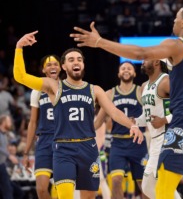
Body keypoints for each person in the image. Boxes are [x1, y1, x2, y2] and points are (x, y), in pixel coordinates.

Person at [70, 4, 183, 199]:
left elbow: (140, 53)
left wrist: (99, 41)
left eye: (176, 17)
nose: (173, 20)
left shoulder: (177, 45)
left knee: (163, 188)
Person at [13, 31, 144, 199]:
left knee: (89, 196)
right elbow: (21, 77)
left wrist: (132, 125)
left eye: (79, 60)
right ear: (64, 67)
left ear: (83, 65)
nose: (76, 62)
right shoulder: (54, 86)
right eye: (71, 60)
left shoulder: (94, 89)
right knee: (65, 195)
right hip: (63, 149)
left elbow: (113, 111)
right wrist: (19, 48)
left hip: (88, 148)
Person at [94, 61, 148, 199]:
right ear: (118, 73)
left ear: (134, 73)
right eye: (123, 68)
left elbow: (150, 115)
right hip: (118, 143)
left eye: (129, 68)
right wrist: (83, 130)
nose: (126, 70)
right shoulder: (110, 93)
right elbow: (99, 121)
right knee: (116, 180)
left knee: (144, 184)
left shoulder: (140, 91)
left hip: (138, 143)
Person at [134, 59, 181, 199]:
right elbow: (147, 116)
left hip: (169, 137)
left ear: (156, 62)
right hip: (155, 140)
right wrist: (134, 121)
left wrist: (164, 120)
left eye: (146, 59)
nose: (142, 61)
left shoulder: (166, 81)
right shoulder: (143, 86)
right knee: (152, 186)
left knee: (149, 185)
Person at [21, 54, 61, 199]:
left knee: (64, 190)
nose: (52, 67)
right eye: (48, 65)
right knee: (42, 190)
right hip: (44, 140)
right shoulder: (37, 90)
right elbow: (32, 122)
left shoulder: (68, 88)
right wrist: (26, 152)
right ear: (43, 70)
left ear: (61, 67)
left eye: (55, 64)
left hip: (64, 140)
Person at [0, 115, 17, 199]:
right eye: (9, 121)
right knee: (8, 190)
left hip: (2, 164)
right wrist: (9, 156)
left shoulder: (5, 134)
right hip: (1, 165)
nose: (10, 124)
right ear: (3, 123)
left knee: (13, 190)